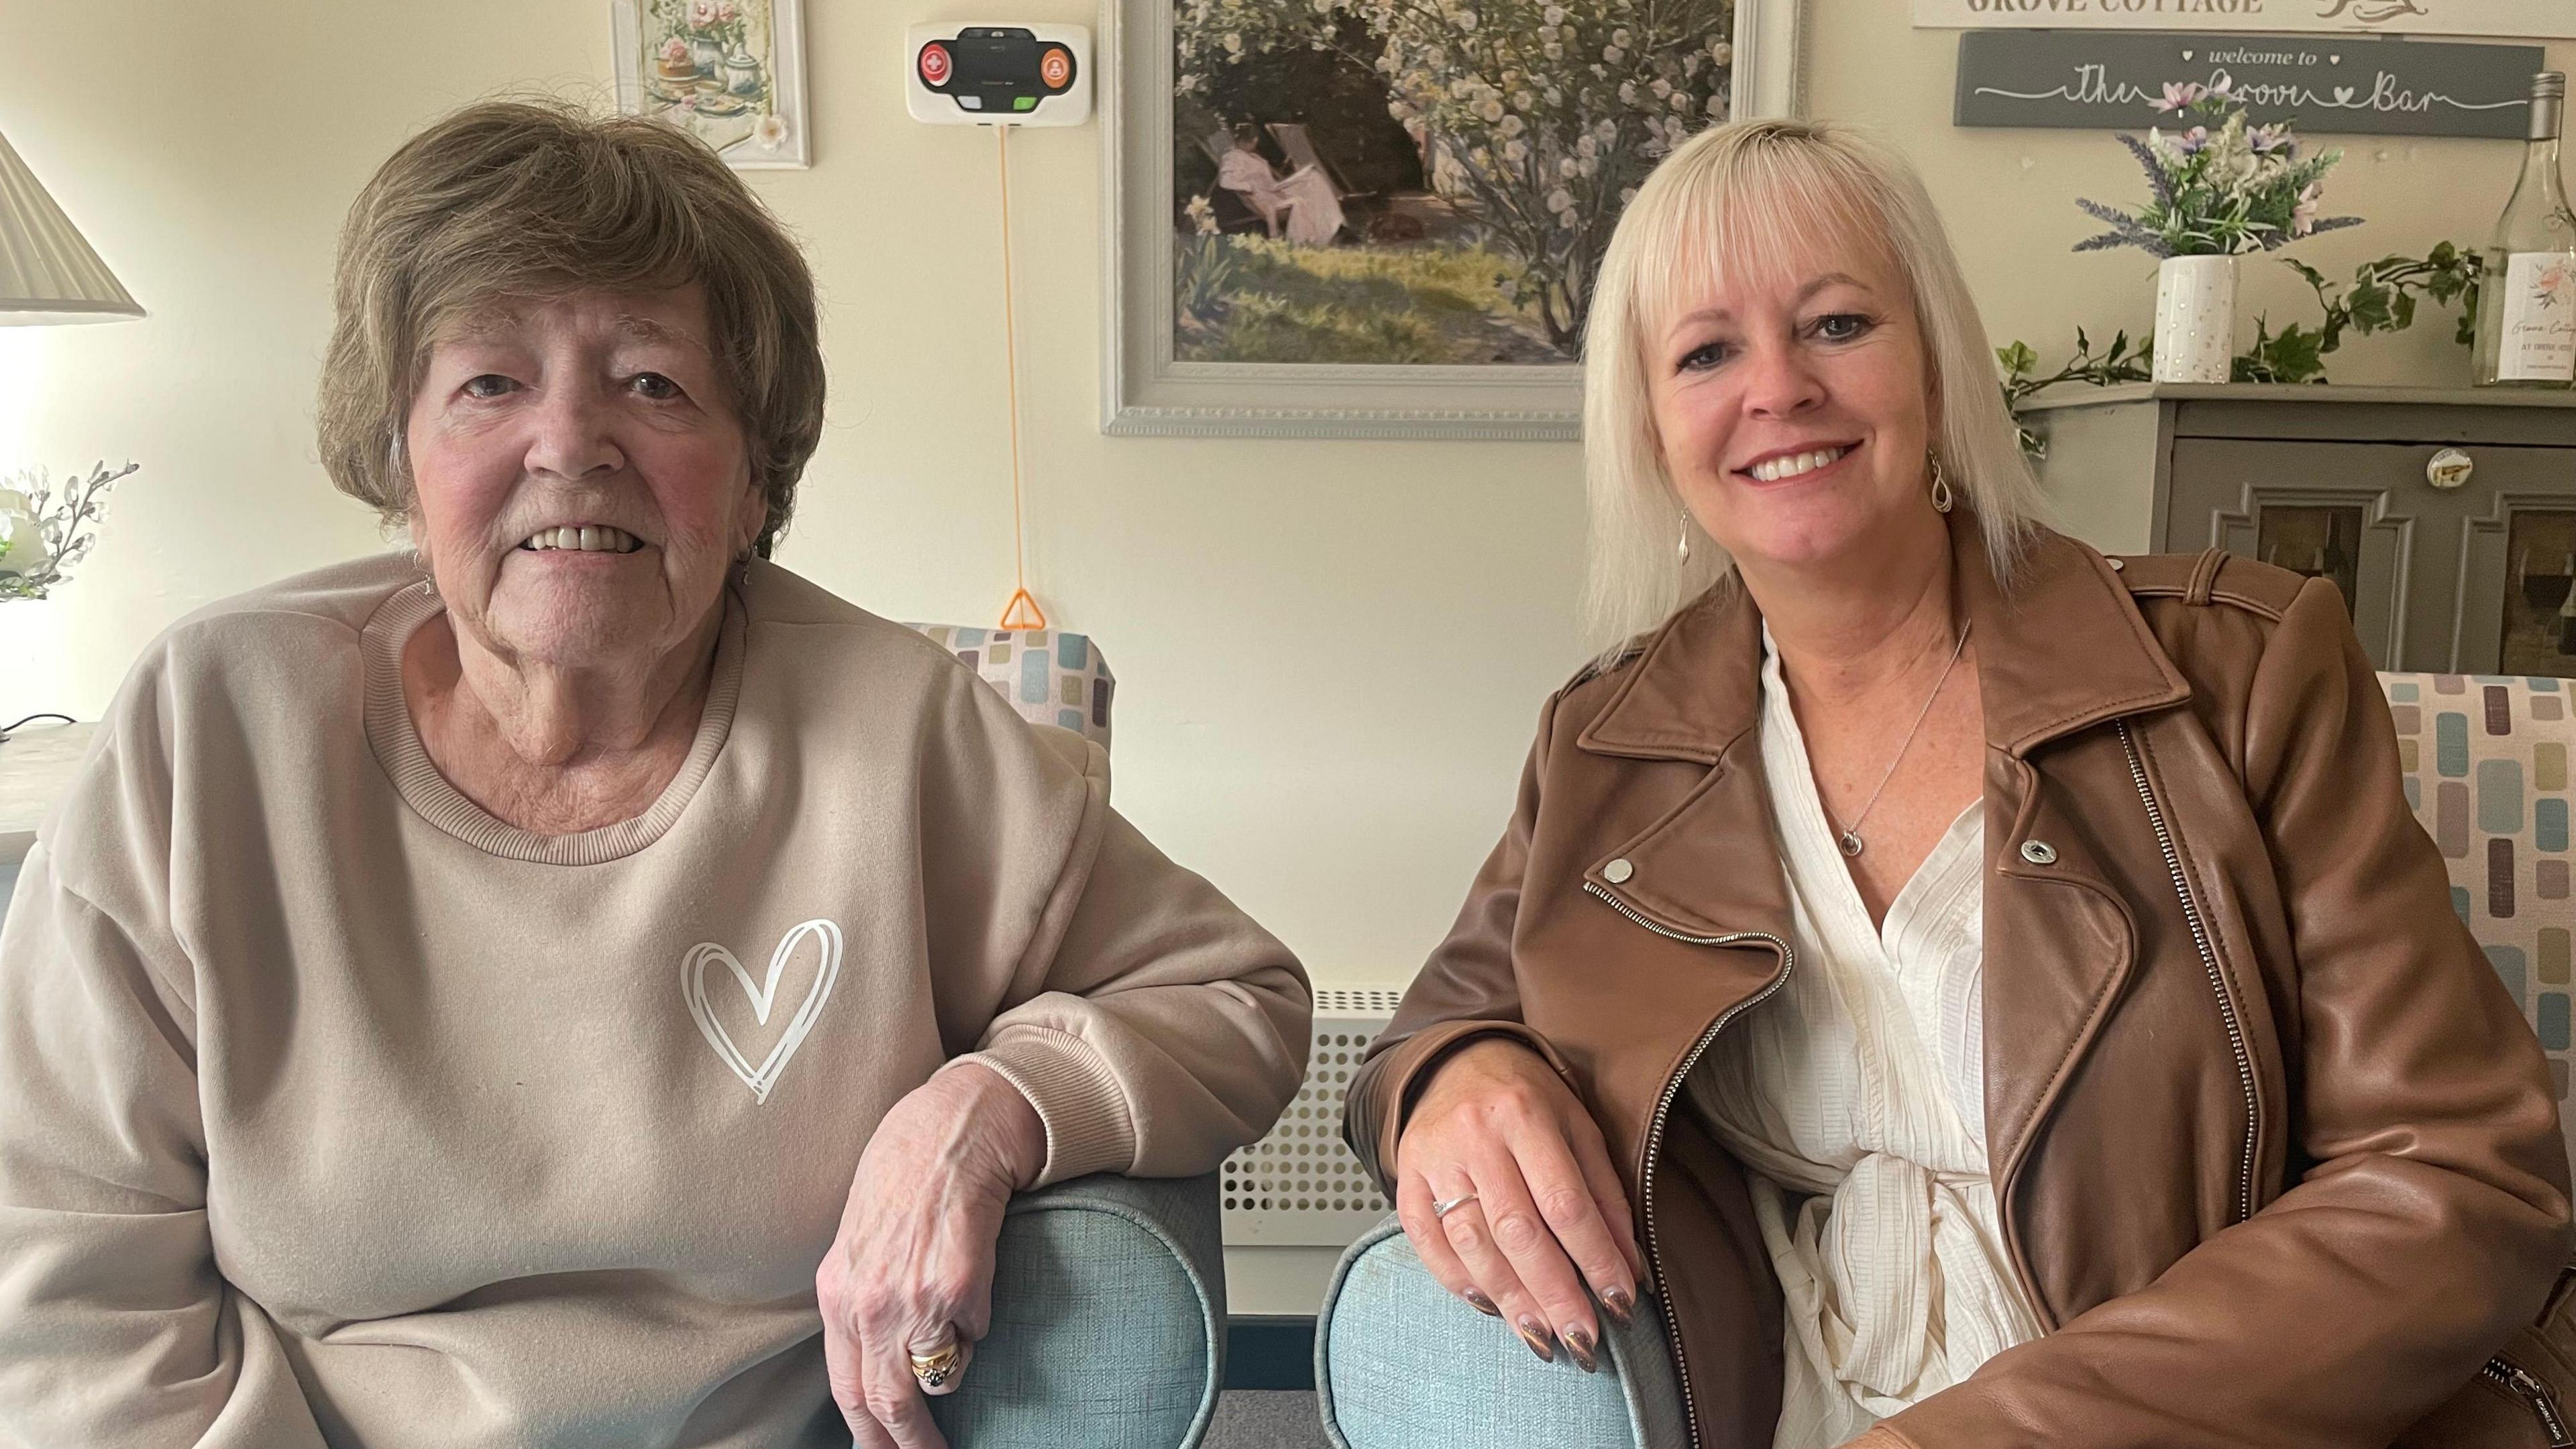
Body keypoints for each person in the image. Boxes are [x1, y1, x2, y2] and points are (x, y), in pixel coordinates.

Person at [0, 101, 1310, 1449]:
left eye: (653, 384)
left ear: (757, 481)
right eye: (491, 383)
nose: (572, 446)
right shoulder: (211, 728)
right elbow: (58, 1263)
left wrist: (984, 1112)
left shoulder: (896, 735)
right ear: (401, 456)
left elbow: (1233, 996)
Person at [1344, 117, 2572, 1447]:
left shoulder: (2244, 673)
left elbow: (2454, 1177)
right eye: (1707, 353)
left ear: (1933, 359)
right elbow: (1432, 1025)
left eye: (1836, 325)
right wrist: (1455, 1078)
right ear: (1649, 427)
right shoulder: (1603, 740)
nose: (1778, 390)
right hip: (1771, 1396)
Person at [1216, 125, 1346, 246]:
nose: (1254, 144)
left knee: (1313, 177)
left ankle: (1330, 227)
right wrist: (1250, 187)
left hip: (1275, 190)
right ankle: (1309, 238)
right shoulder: (1232, 158)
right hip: (1266, 198)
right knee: (1303, 194)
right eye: (1253, 141)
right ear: (1253, 140)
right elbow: (1226, 181)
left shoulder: (1251, 156)